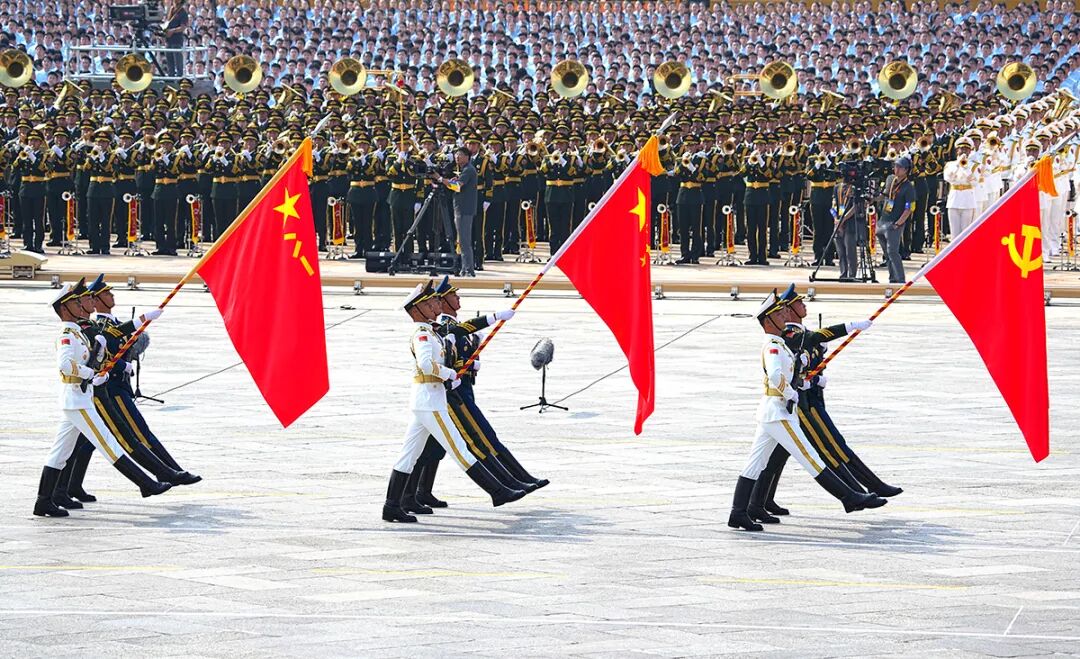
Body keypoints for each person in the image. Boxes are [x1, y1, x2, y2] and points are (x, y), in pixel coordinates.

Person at [727, 287, 887, 532]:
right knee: (809, 457)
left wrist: (806, 382)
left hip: (773, 412)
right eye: (778, 315)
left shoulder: (780, 344)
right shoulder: (773, 346)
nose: (783, 317)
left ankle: (739, 513)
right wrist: (791, 393)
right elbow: (775, 376)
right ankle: (849, 498)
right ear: (767, 321)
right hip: (779, 412)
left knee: (755, 463)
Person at [382, 282, 526, 523]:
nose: (434, 307)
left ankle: (391, 506)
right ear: (417, 310)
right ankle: (498, 491)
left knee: (409, 455)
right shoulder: (423, 334)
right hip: (430, 399)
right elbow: (426, 365)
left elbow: (457, 333)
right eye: (428, 304)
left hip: (426, 400)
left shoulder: (432, 330)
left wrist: (493, 318)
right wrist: (449, 374)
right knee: (459, 448)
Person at [35, 280, 172, 518]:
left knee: (60, 453)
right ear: (65, 308)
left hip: (78, 398)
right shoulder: (67, 335)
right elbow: (65, 365)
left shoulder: (78, 332)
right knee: (108, 443)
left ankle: (43, 501)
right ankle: (146, 484)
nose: (81, 304)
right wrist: (91, 374)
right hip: (78, 399)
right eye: (76, 302)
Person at [877, 157, 916, 284]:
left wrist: (899, 223)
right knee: (887, 254)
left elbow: (909, 208)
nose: (896, 169)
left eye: (900, 167)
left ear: (906, 170)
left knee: (893, 252)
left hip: (894, 223)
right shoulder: (891, 181)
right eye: (895, 166)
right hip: (883, 220)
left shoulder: (908, 187)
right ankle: (892, 278)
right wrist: (872, 198)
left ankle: (900, 279)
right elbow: (884, 196)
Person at [444, 147, 477, 277]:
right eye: (456, 155)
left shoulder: (468, 170)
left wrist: (441, 180)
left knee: (464, 240)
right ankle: (465, 267)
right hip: (461, 208)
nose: (457, 157)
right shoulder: (463, 170)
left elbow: (457, 187)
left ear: (467, 157)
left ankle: (468, 269)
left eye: (460, 155)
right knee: (462, 240)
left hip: (464, 209)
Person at [162, 0, 189, 78]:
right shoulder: (171, 10)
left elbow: (183, 27)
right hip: (168, 39)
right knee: (169, 61)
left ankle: (179, 78)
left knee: (178, 61)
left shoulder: (183, 12)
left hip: (177, 40)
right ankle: (171, 77)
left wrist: (173, 31)